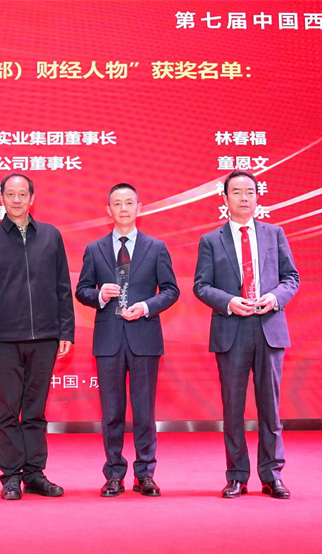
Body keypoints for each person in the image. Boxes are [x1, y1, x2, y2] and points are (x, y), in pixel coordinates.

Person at [193, 170, 299, 500]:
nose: (243, 198)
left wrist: (276, 298)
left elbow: (291, 278)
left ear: (257, 197)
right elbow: (201, 285)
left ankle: (272, 475)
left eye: (250, 192)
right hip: (232, 329)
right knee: (233, 409)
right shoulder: (211, 240)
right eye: (236, 192)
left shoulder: (274, 234)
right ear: (225, 199)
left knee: (270, 408)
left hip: (268, 329)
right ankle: (237, 476)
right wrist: (229, 301)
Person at [0, 173, 75, 500]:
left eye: (22, 194)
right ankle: (11, 476)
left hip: (45, 337)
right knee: (7, 410)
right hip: (3, 339)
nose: (16, 199)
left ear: (32, 198)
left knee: (35, 410)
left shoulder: (51, 235)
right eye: (10, 194)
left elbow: (62, 286)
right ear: (1, 198)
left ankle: (35, 473)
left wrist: (66, 330)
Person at [75, 183, 180, 497]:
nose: (123, 208)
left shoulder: (156, 247)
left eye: (129, 203)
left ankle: (145, 473)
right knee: (111, 412)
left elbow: (171, 290)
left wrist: (146, 306)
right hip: (108, 338)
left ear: (139, 207)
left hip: (144, 337)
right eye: (117, 203)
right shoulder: (95, 248)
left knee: (144, 411)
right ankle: (114, 473)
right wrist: (99, 295)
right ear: (108, 210)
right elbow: (81, 291)